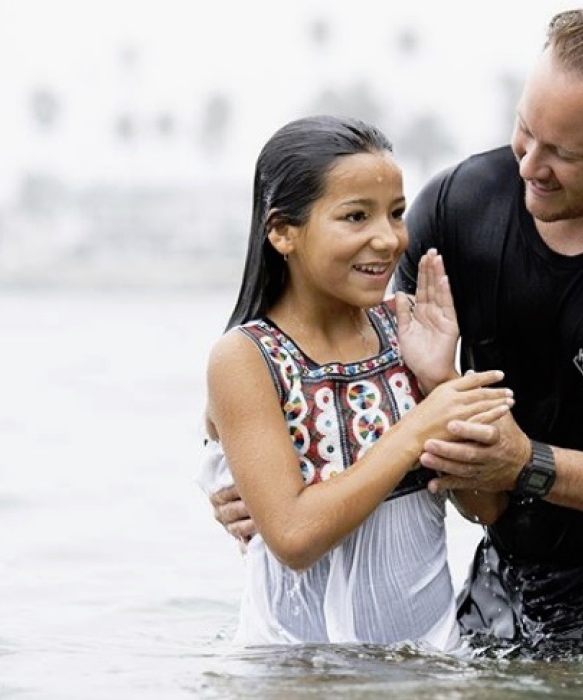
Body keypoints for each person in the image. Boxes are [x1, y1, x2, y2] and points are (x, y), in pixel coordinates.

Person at [210, 1, 583, 653]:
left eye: (563, 154)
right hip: (496, 584)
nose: (528, 166)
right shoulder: (462, 204)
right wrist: (250, 467)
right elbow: (343, 357)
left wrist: (530, 463)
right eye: (525, 131)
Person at [198, 114, 513, 651]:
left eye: (395, 214)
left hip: (431, 666)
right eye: (355, 217)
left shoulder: (408, 329)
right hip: (299, 675)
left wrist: (440, 379)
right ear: (282, 231)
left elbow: (489, 511)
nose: (388, 239)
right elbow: (294, 538)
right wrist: (414, 431)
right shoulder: (248, 358)